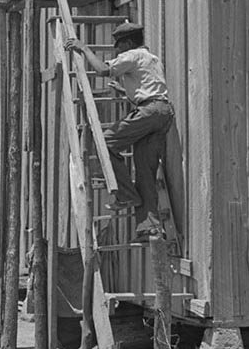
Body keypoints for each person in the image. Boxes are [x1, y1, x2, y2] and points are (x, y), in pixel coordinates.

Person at [65, 23, 174, 236]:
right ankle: (149, 227)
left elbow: (104, 70)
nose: (118, 51)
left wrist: (83, 48)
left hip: (149, 112)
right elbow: (151, 89)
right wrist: (125, 90)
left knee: (105, 143)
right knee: (145, 171)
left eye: (120, 46)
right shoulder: (151, 58)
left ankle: (125, 194)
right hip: (162, 113)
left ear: (128, 43)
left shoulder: (132, 55)